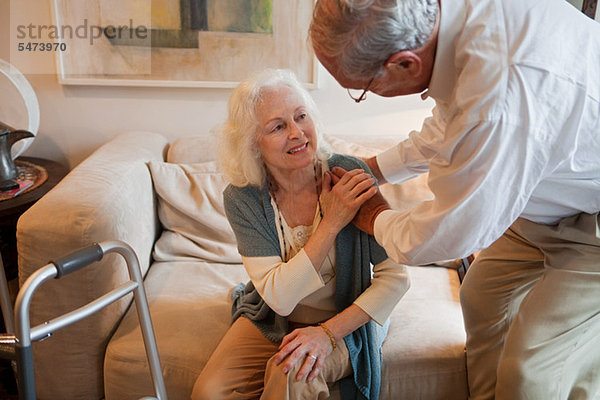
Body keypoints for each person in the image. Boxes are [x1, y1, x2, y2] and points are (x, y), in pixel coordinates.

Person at [309, 0, 600, 399]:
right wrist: (372, 168)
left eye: (361, 90)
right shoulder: (458, 26)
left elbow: (449, 234)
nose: (365, 95)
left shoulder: (498, 96)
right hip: (542, 202)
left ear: (405, 64)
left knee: (531, 371)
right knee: (480, 297)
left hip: (593, 223)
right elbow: (448, 128)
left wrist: (375, 215)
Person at [190, 69, 409, 400]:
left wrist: (326, 334)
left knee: (293, 373)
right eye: (278, 127)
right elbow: (279, 298)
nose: (297, 133)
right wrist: (331, 223)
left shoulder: (349, 174)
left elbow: (396, 279)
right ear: (252, 144)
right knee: (211, 392)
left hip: (349, 317)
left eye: (301, 116)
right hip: (276, 318)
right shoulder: (244, 197)